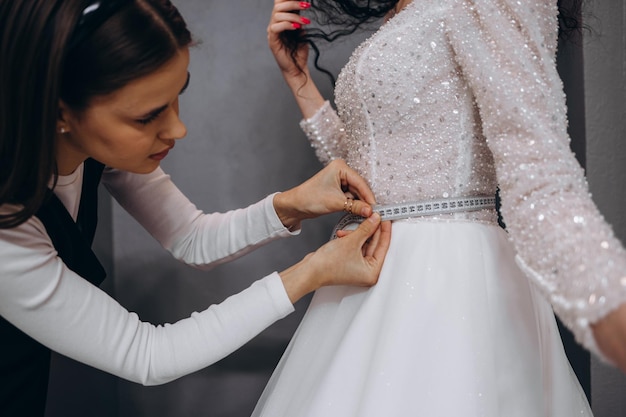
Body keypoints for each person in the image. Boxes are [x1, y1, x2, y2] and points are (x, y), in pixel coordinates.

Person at [0, 1, 392, 416]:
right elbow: (148, 355)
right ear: (61, 112)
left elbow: (191, 238)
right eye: (148, 116)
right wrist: (311, 272)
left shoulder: (93, 148)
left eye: (177, 96)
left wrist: (291, 205)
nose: (177, 129)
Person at [251, 0, 626, 415]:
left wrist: (606, 300)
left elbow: (537, 170)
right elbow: (375, 174)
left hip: (448, 277)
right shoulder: (402, 10)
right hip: (365, 269)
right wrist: (298, 78)